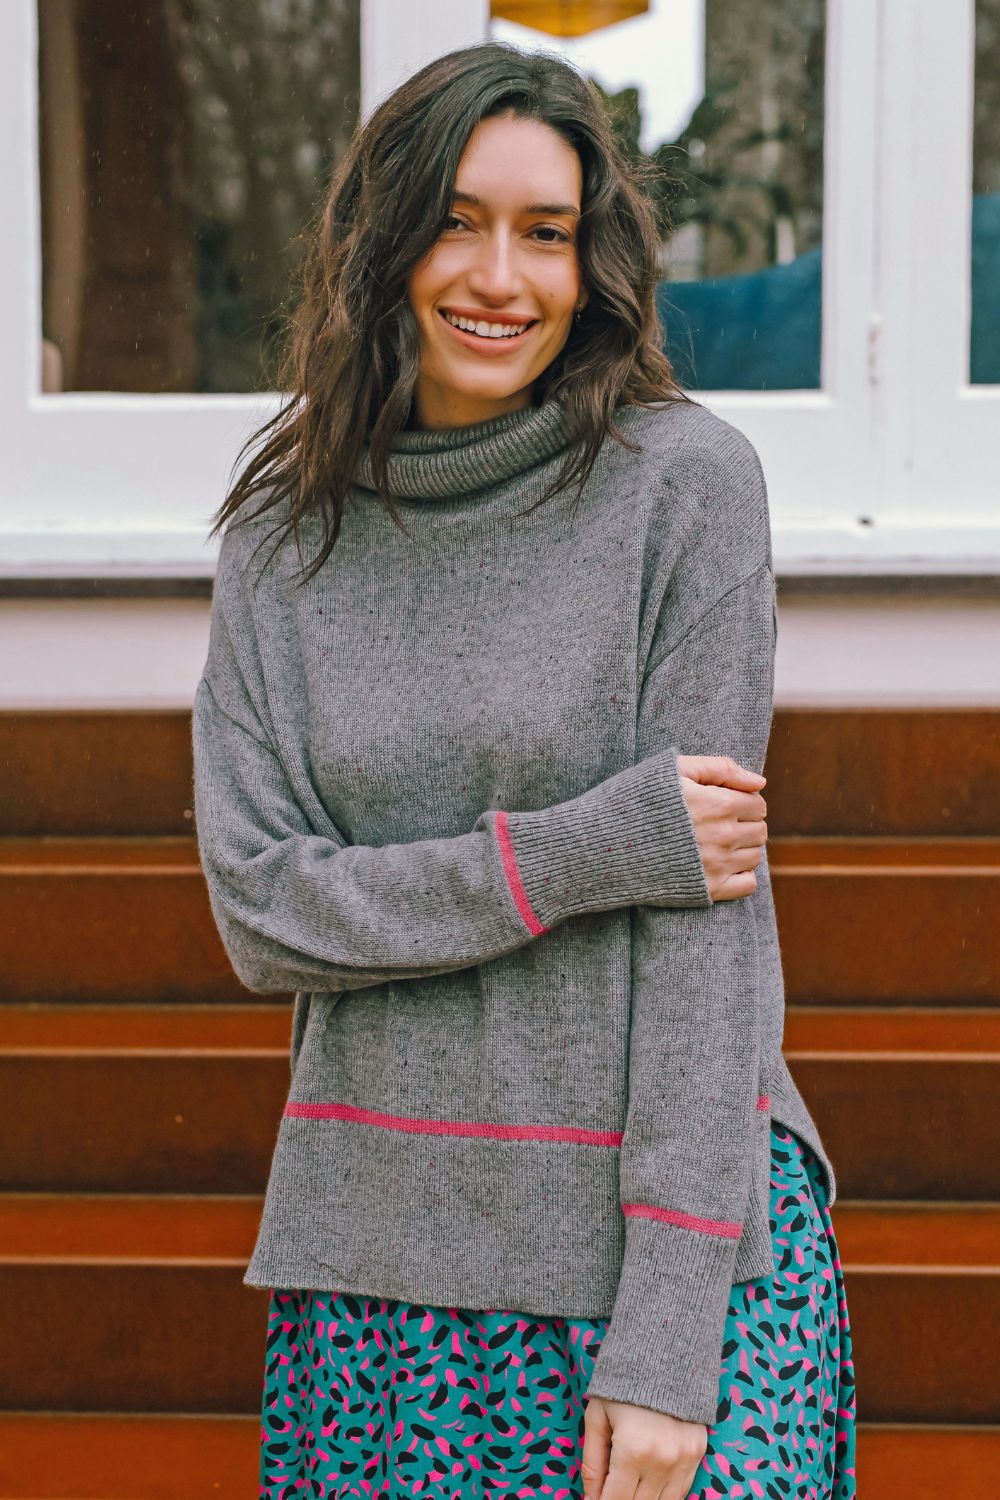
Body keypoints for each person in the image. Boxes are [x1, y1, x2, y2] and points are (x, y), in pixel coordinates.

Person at [192, 40, 857, 1500]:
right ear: (381, 241)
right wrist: (575, 852)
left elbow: (706, 932)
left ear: (593, 261)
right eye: (458, 219)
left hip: (666, 1259)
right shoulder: (284, 537)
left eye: (545, 233)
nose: (501, 276)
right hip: (378, 1279)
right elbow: (263, 910)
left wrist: (671, 1343)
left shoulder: (683, 488)